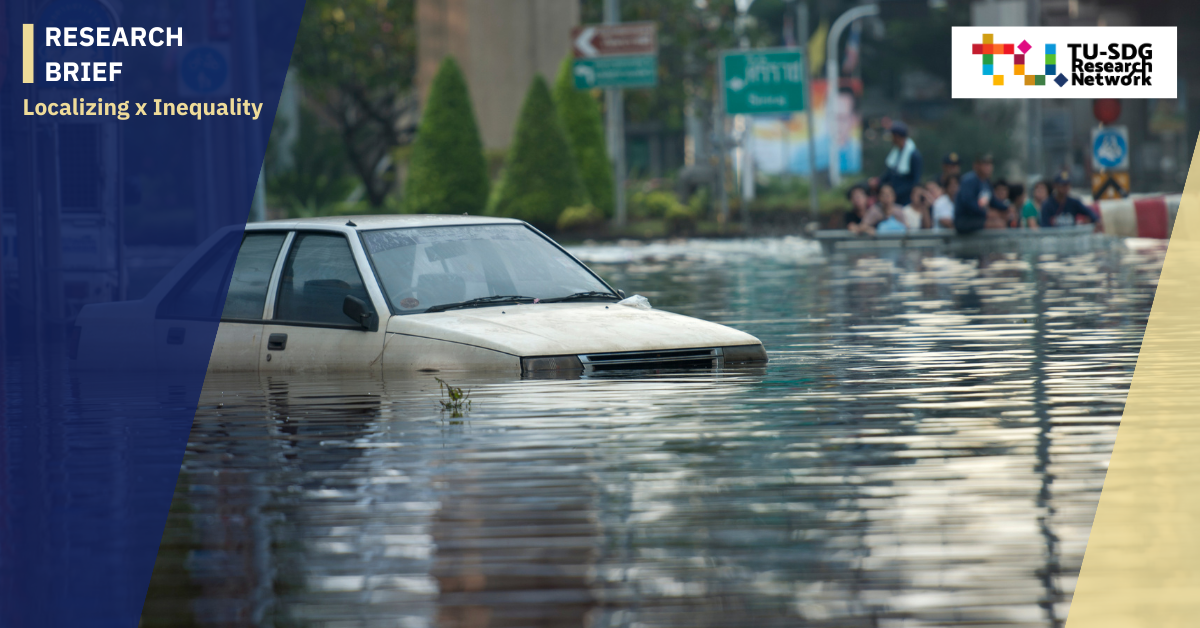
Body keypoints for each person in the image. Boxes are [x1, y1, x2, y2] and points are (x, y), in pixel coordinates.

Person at [954, 153, 1009, 234]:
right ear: (977, 166)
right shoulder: (969, 180)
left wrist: (1007, 208)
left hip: (979, 218)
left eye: (990, 164)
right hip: (965, 220)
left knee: (1001, 220)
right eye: (985, 164)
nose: (988, 167)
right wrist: (986, 213)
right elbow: (968, 202)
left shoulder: (986, 182)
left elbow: (993, 201)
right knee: (998, 225)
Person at [871, 121, 922, 206]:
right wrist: (878, 181)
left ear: (897, 137)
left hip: (905, 199)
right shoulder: (896, 152)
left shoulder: (914, 155)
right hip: (893, 197)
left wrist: (896, 191)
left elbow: (915, 181)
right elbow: (890, 172)